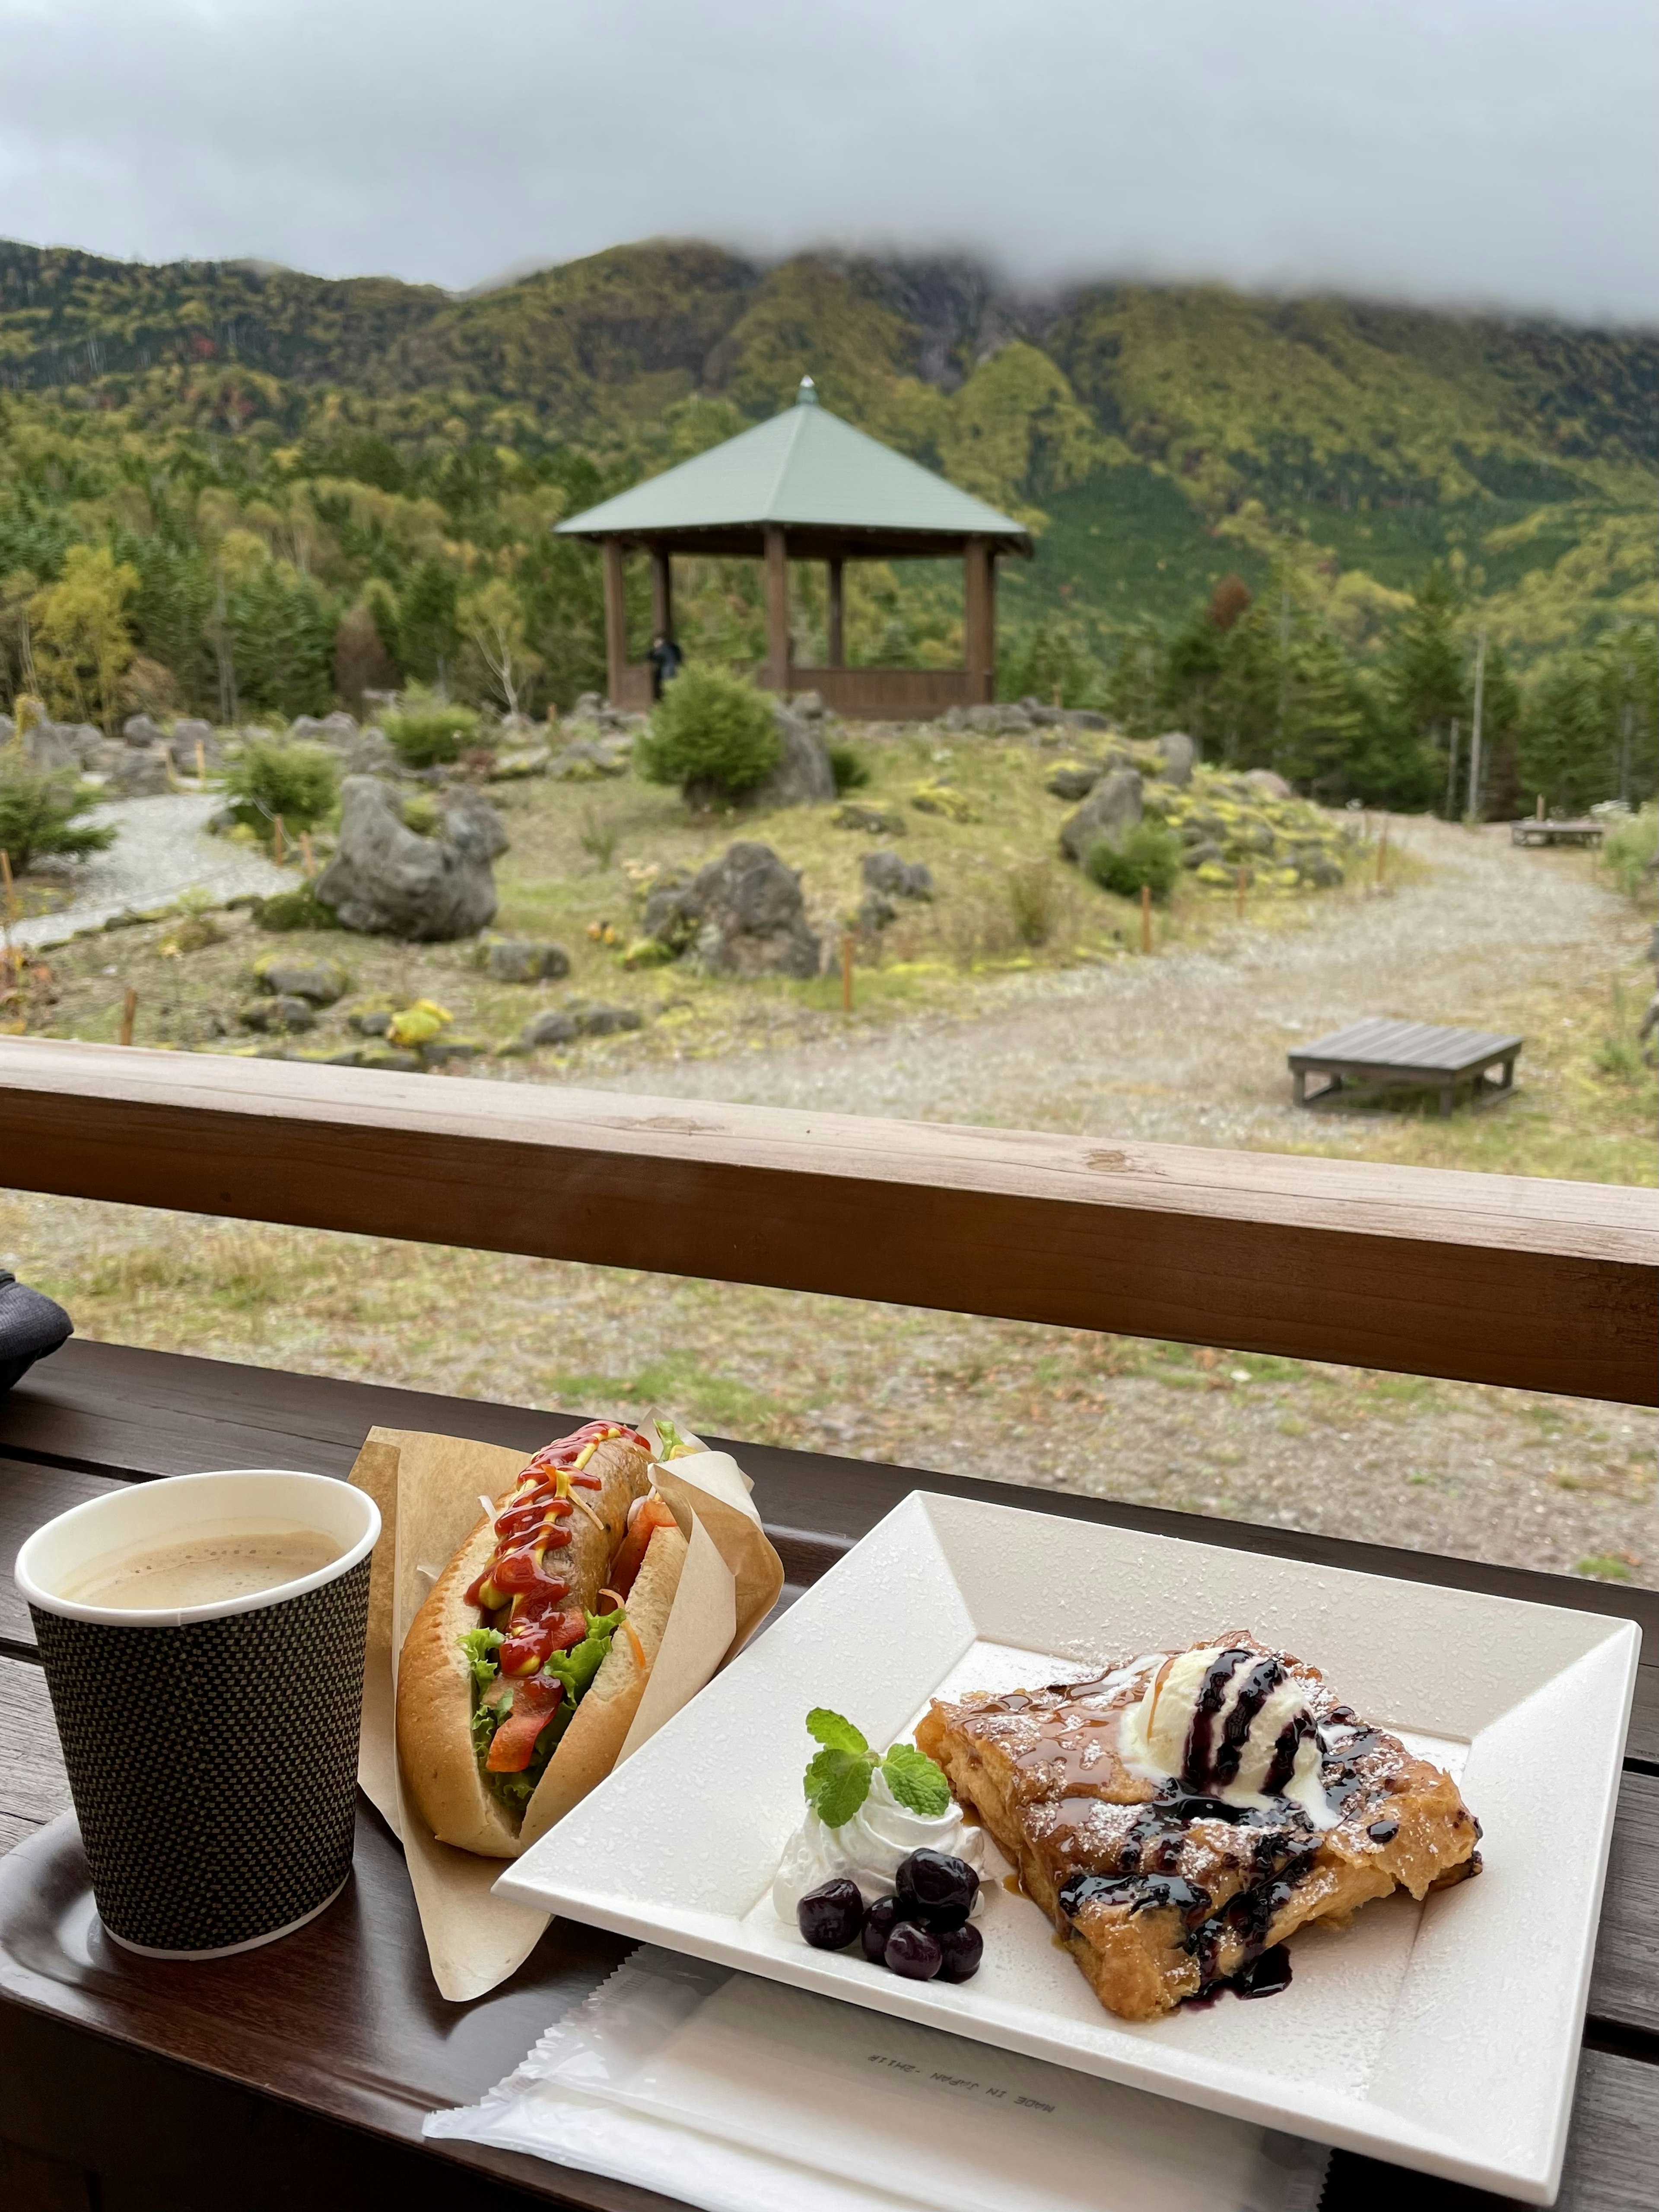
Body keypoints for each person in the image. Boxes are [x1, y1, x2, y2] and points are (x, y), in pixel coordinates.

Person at [646, 630, 683, 700]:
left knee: (667, 687)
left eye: (656, 641)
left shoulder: (662, 648)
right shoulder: (673, 647)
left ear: (660, 640)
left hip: (668, 669)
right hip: (676, 668)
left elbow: (652, 657)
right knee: (674, 686)